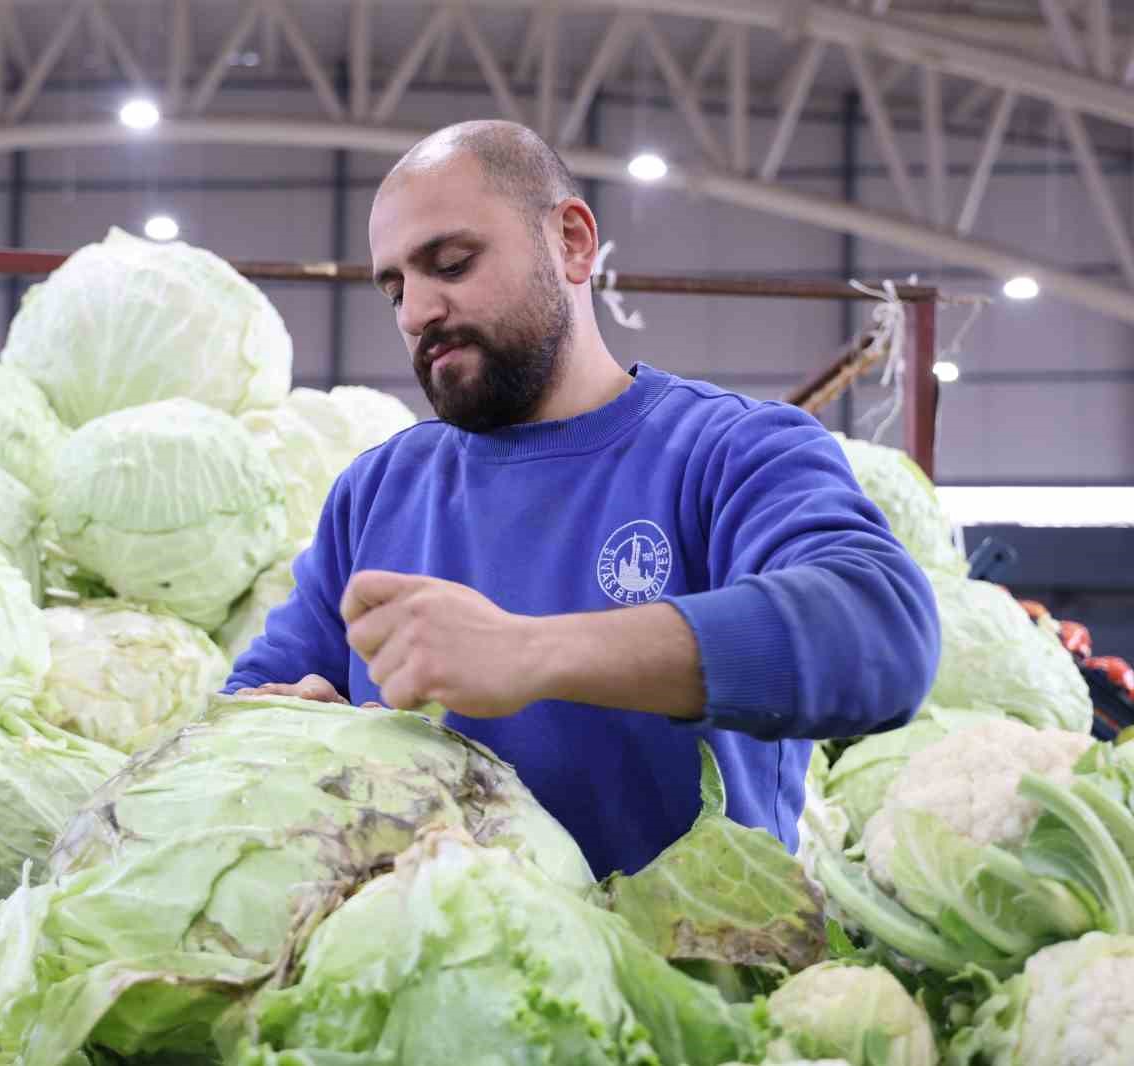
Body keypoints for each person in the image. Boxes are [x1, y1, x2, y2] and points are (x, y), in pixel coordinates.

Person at [228, 120, 940, 878]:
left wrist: (533, 652)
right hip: (423, 975)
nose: (415, 313)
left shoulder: (729, 451)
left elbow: (881, 631)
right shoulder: (376, 492)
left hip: (683, 981)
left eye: (452, 264)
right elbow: (247, 705)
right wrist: (289, 722)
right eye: (395, 288)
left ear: (571, 242)